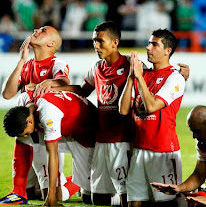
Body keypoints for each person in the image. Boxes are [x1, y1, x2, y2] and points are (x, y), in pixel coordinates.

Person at [53, 21, 190, 206]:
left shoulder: (133, 65)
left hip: (127, 140)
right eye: (94, 41)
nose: (96, 45)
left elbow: (157, 87)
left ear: (115, 42)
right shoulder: (98, 68)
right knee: (96, 199)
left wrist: (181, 75)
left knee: (140, 196)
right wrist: (52, 86)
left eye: (100, 41)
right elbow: (84, 91)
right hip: (102, 139)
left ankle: (191, 193)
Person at [0, 26, 71, 205]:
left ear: (51, 43)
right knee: (31, 193)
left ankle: (78, 182)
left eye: (43, 30)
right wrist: (21, 61)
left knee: (51, 194)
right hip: (27, 131)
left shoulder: (57, 64)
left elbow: (64, 81)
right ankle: (18, 192)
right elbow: (7, 94)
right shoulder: (27, 66)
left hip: (46, 134)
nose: (36, 29)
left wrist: (49, 82)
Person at [119, 29, 185, 207]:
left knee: (165, 202)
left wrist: (139, 78)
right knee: (135, 202)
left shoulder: (175, 77)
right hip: (139, 148)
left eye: (154, 44)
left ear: (167, 51)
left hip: (163, 150)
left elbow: (152, 107)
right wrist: (132, 77)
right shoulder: (143, 75)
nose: (148, 47)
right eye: (149, 43)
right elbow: (124, 110)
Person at [3, 90, 97, 206]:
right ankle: (19, 190)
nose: (26, 136)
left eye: (26, 133)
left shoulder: (48, 114)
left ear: (29, 121)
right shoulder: (26, 103)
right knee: (24, 140)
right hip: (68, 132)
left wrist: (51, 197)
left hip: (87, 136)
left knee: (96, 197)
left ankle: (81, 181)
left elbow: (52, 154)